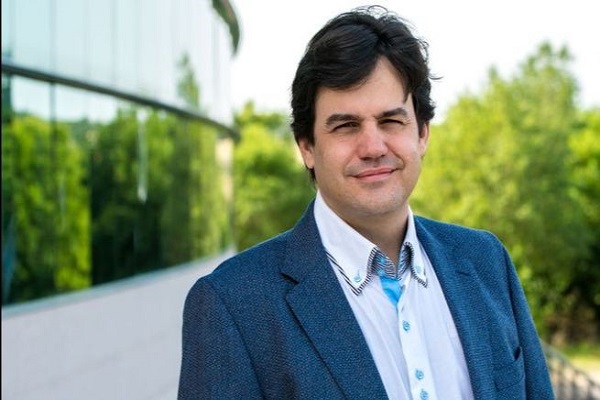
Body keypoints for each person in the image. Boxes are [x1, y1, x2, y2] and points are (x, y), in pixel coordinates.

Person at [178, 5, 554, 399]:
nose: (373, 147)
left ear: (422, 134)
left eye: (391, 121)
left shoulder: (485, 261)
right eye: (346, 126)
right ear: (307, 147)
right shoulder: (234, 305)